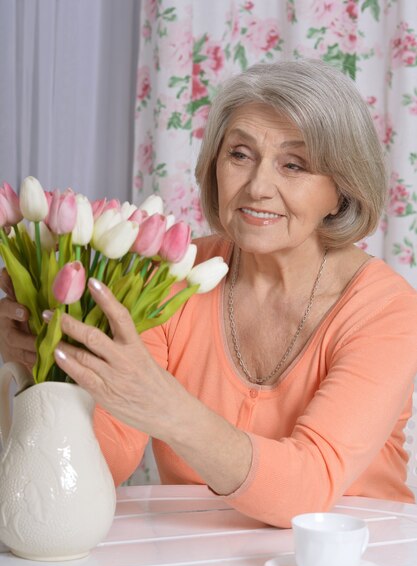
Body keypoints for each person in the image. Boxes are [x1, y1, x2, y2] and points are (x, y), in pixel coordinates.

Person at [1, 58, 417, 529]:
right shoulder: (171, 275)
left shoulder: (386, 310)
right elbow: (105, 461)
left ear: (341, 190)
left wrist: (168, 410)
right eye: (240, 154)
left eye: (294, 164)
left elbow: (309, 485)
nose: (259, 186)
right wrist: (42, 369)